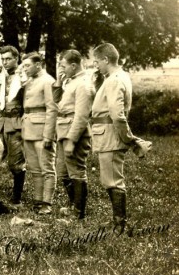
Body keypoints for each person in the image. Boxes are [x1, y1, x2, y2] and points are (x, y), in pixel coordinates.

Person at [91, 43, 136, 231]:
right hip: (107, 134)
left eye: (97, 62)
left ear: (106, 60)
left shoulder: (114, 80)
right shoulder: (118, 76)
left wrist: (127, 138)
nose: (96, 66)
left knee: (113, 181)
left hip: (110, 135)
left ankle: (120, 225)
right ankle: (118, 222)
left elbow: (117, 115)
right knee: (109, 179)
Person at [52, 50, 94, 220]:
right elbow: (57, 103)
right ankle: (73, 206)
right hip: (63, 131)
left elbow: (82, 116)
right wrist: (57, 82)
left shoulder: (83, 84)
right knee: (62, 173)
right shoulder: (71, 81)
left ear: (74, 65)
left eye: (63, 66)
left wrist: (71, 140)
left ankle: (79, 213)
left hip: (74, 134)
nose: (61, 69)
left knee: (76, 172)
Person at [21, 52, 58, 215]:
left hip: (42, 130)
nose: (24, 68)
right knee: (34, 169)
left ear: (38, 65)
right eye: (24, 65)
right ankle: (37, 200)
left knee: (46, 168)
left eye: (27, 65)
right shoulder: (29, 81)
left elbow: (52, 109)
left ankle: (46, 203)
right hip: (28, 129)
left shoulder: (48, 81)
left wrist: (49, 135)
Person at [0, 45, 26, 207]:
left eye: (8, 59)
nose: (5, 62)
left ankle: (17, 197)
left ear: (16, 59)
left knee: (15, 162)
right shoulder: (1, 75)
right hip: (1, 122)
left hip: (16, 122)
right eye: (2, 59)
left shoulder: (23, 76)